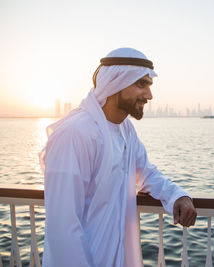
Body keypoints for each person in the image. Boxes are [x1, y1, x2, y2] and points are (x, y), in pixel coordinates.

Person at [40, 47, 197, 267]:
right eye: (141, 84)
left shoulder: (125, 129)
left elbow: (145, 172)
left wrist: (177, 195)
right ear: (116, 83)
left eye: (149, 86)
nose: (149, 96)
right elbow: (63, 226)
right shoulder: (75, 133)